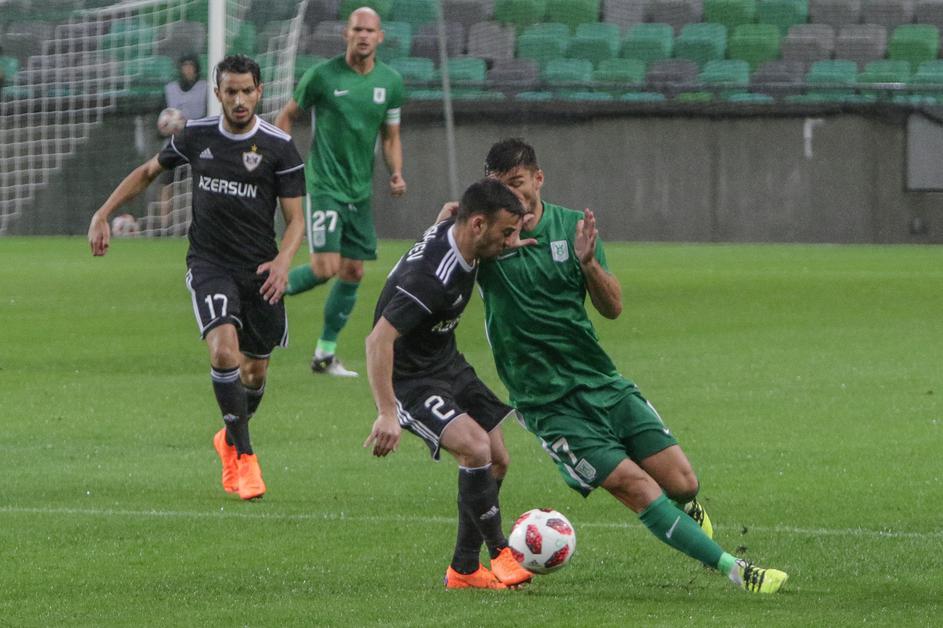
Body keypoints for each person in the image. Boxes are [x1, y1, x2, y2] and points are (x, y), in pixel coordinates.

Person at [475, 138, 789, 594]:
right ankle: (736, 570)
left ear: (539, 179)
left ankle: (686, 509)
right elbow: (445, 242)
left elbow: (613, 308)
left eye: (517, 183)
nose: (511, 196)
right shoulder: (486, 242)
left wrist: (588, 264)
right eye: (500, 187)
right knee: (635, 486)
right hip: (546, 403)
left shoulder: (571, 228)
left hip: (600, 381)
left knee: (683, 483)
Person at [88, 55, 306, 501]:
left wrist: (284, 261)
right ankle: (245, 456)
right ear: (218, 92)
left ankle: (229, 437)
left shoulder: (280, 147)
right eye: (231, 91)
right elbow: (148, 172)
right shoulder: (196, 136)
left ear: (260, 92)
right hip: (210, 264)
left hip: (260, 269)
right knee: (224, 351)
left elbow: (296, 220)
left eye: (247, 91)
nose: (239, 100)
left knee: (254, 371)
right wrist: (103, 213)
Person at [363, 179, 535, 590]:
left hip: (446, 362)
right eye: (505, 233)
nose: (509, 241)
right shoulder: (429, 279)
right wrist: (387, 412)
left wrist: (504, 229)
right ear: (477, 225)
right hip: (410, 380)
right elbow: (377, 341)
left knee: (497, 458)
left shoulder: (456, 228)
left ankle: (464, 569)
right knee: (475, 448)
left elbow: (448, 208)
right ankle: (500, 552)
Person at [274, 6, 406, 377]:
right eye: (357, 29)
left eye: (370, 31)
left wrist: (396, 173)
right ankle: (261, 290)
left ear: (380, 37)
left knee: (352, 270)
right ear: (346, 34)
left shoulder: (390, 82)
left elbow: (391, 137)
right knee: (324, 267)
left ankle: (325, 354)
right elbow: (287, 116)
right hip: (325, 185)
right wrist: (281, 163)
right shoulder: (322, 76)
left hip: (359, 192)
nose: (363, 36)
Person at [159, 54, 209, 229]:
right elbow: (160, 120)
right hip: (175, 144)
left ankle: (201, 222)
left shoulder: (205, 89)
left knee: (202, 183)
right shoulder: (170, 90)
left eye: (191, 65)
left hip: (198, 145)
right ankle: (164, 226)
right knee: (167, 183)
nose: (188, 69)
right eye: (185, 65)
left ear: (196, 68)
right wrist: (165, 129)